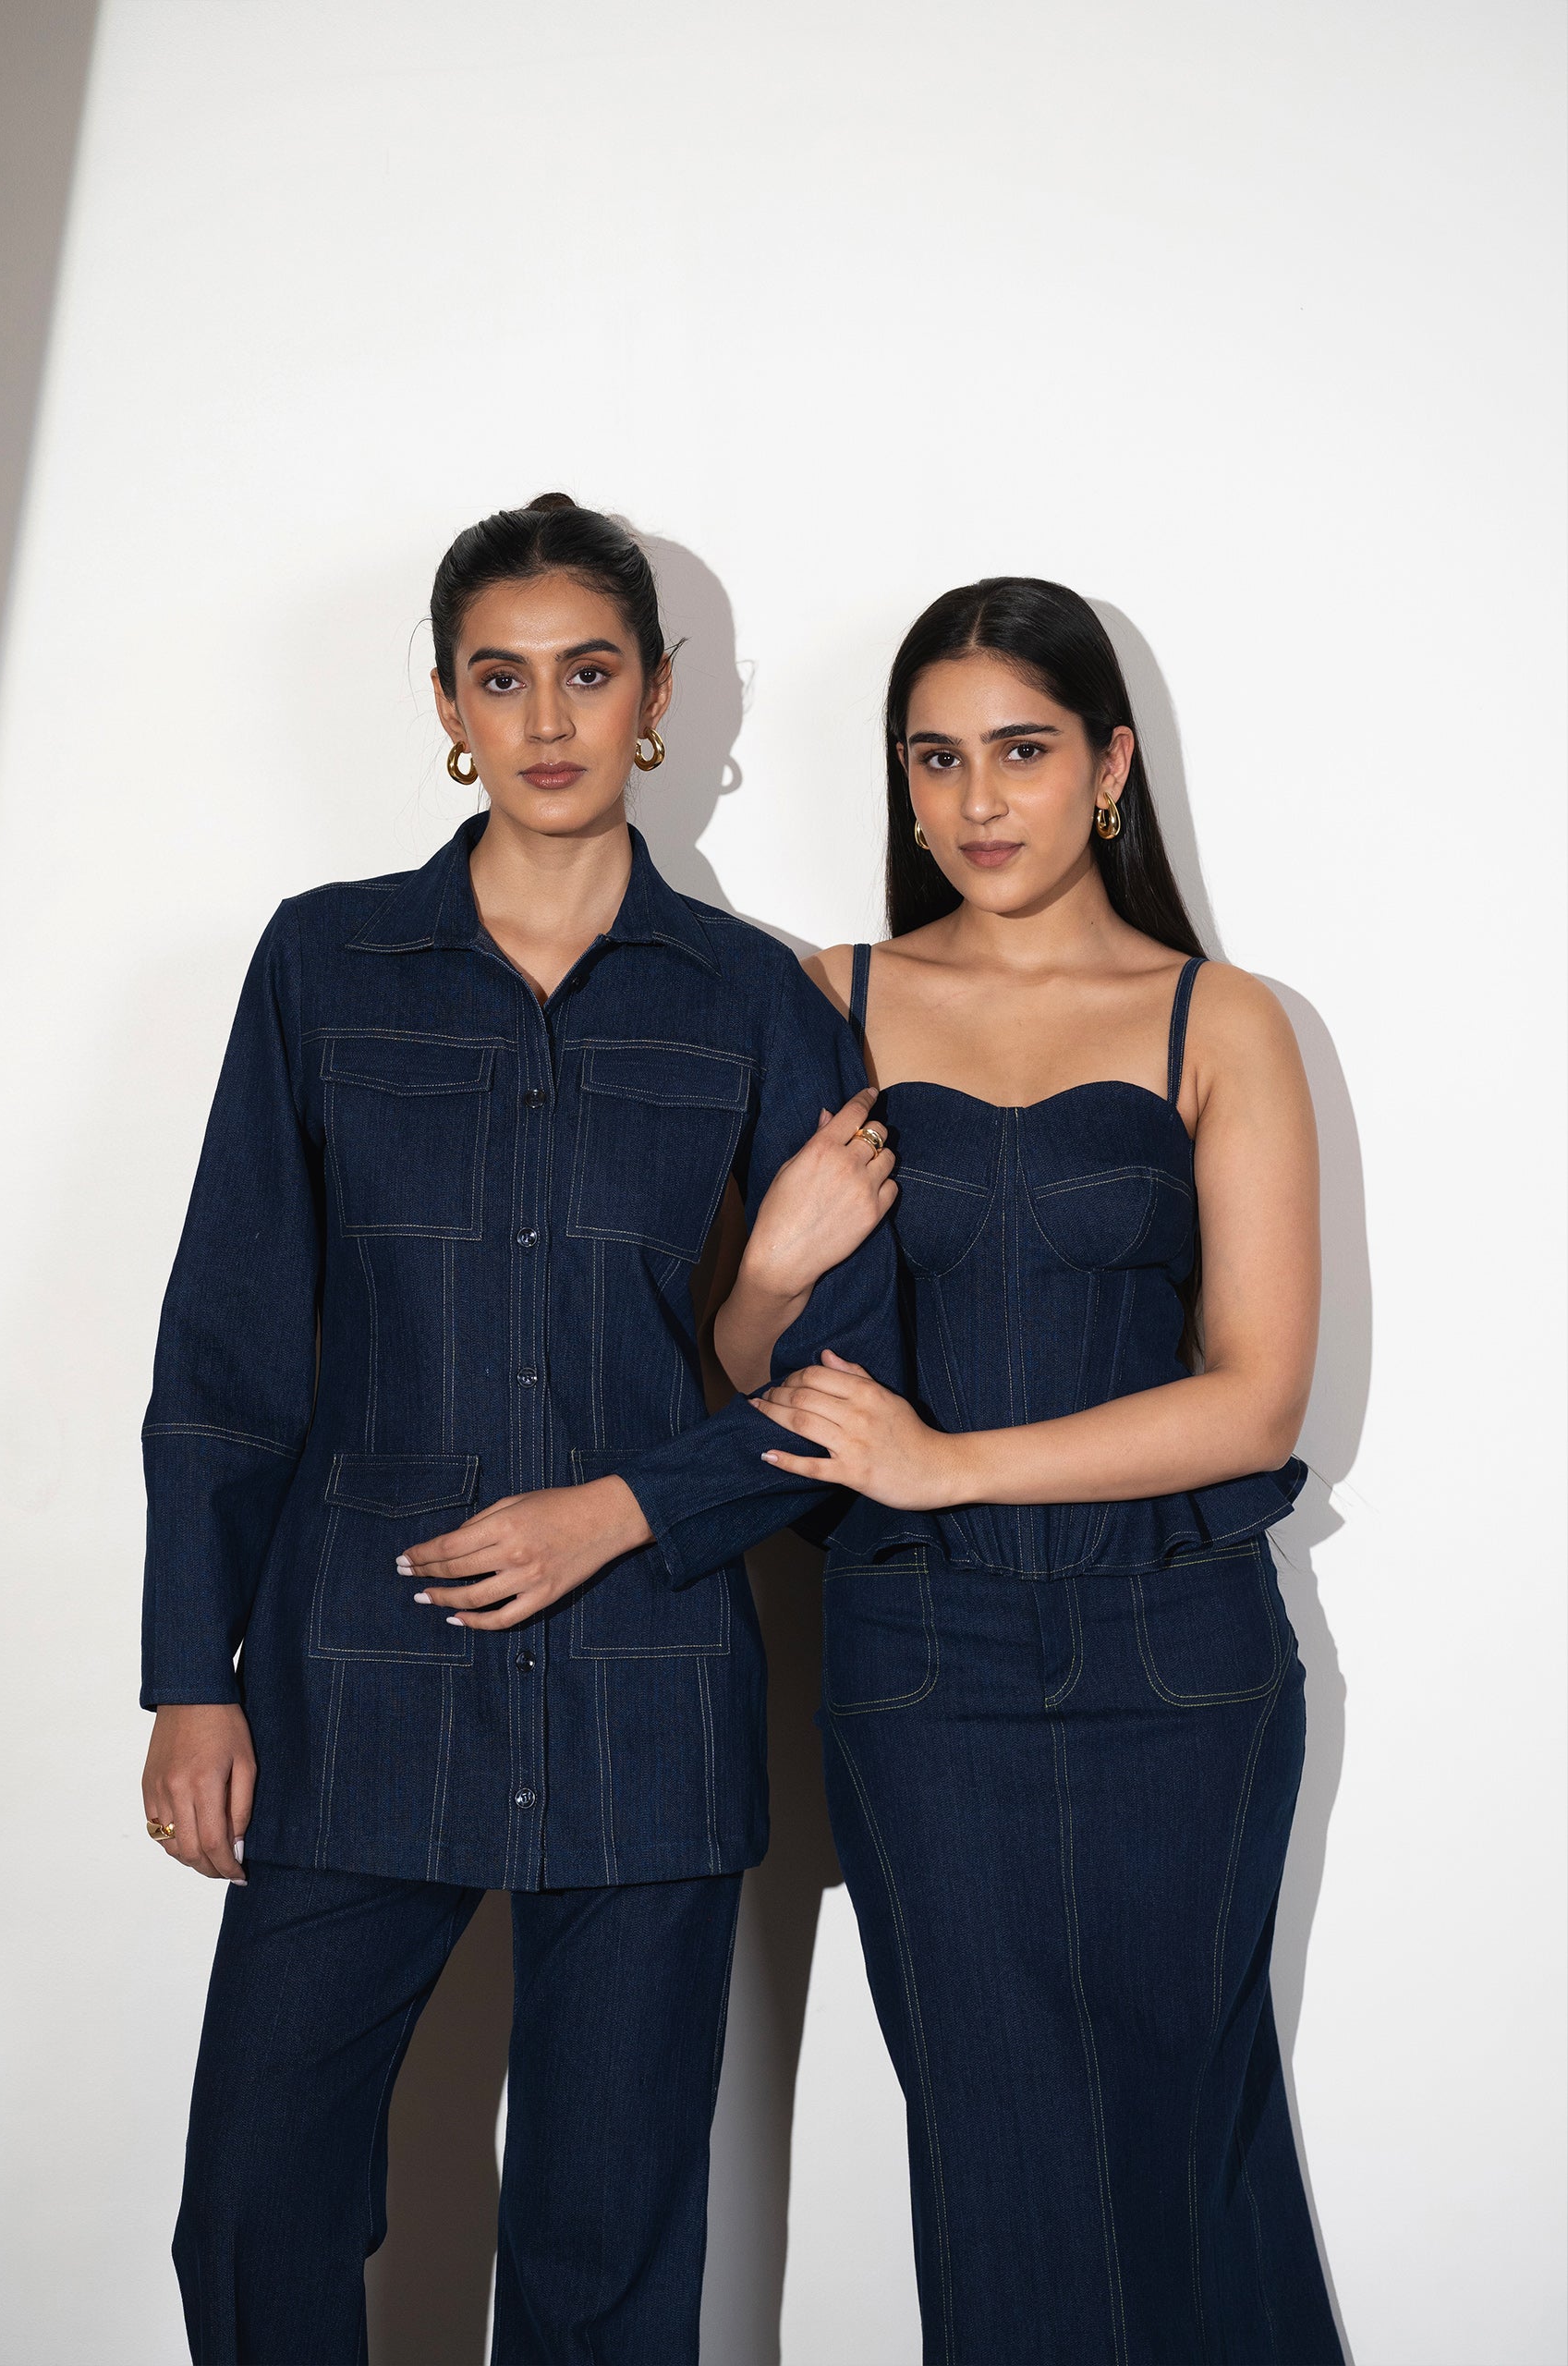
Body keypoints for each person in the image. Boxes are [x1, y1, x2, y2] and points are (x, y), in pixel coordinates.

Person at [139, 494, 901, 2364]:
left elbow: (855, 1376)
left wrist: (622, 1508)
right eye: (502, 677)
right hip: (353, 1672)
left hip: (649, 1687)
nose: (548, 720)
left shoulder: (748, 999)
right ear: (446, 706)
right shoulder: (325, 966)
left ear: (656, 699)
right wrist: (188, 1679)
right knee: (256, 2194)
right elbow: (229, 1352)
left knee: (603, 2242)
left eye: (589, 672)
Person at [714, 578, 1344, 2363]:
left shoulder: (1221, 1020)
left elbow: (1257, 1403)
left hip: (1185, 1662)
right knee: (998, 2162)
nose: (978, 800)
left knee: (1183, 2146)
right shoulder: (824, 1000)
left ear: (1109, 767)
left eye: (1021, 751)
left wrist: (946, 1463)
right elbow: (735, 1380)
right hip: (923, 1672)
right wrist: (764, 1279)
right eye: (936, 760)